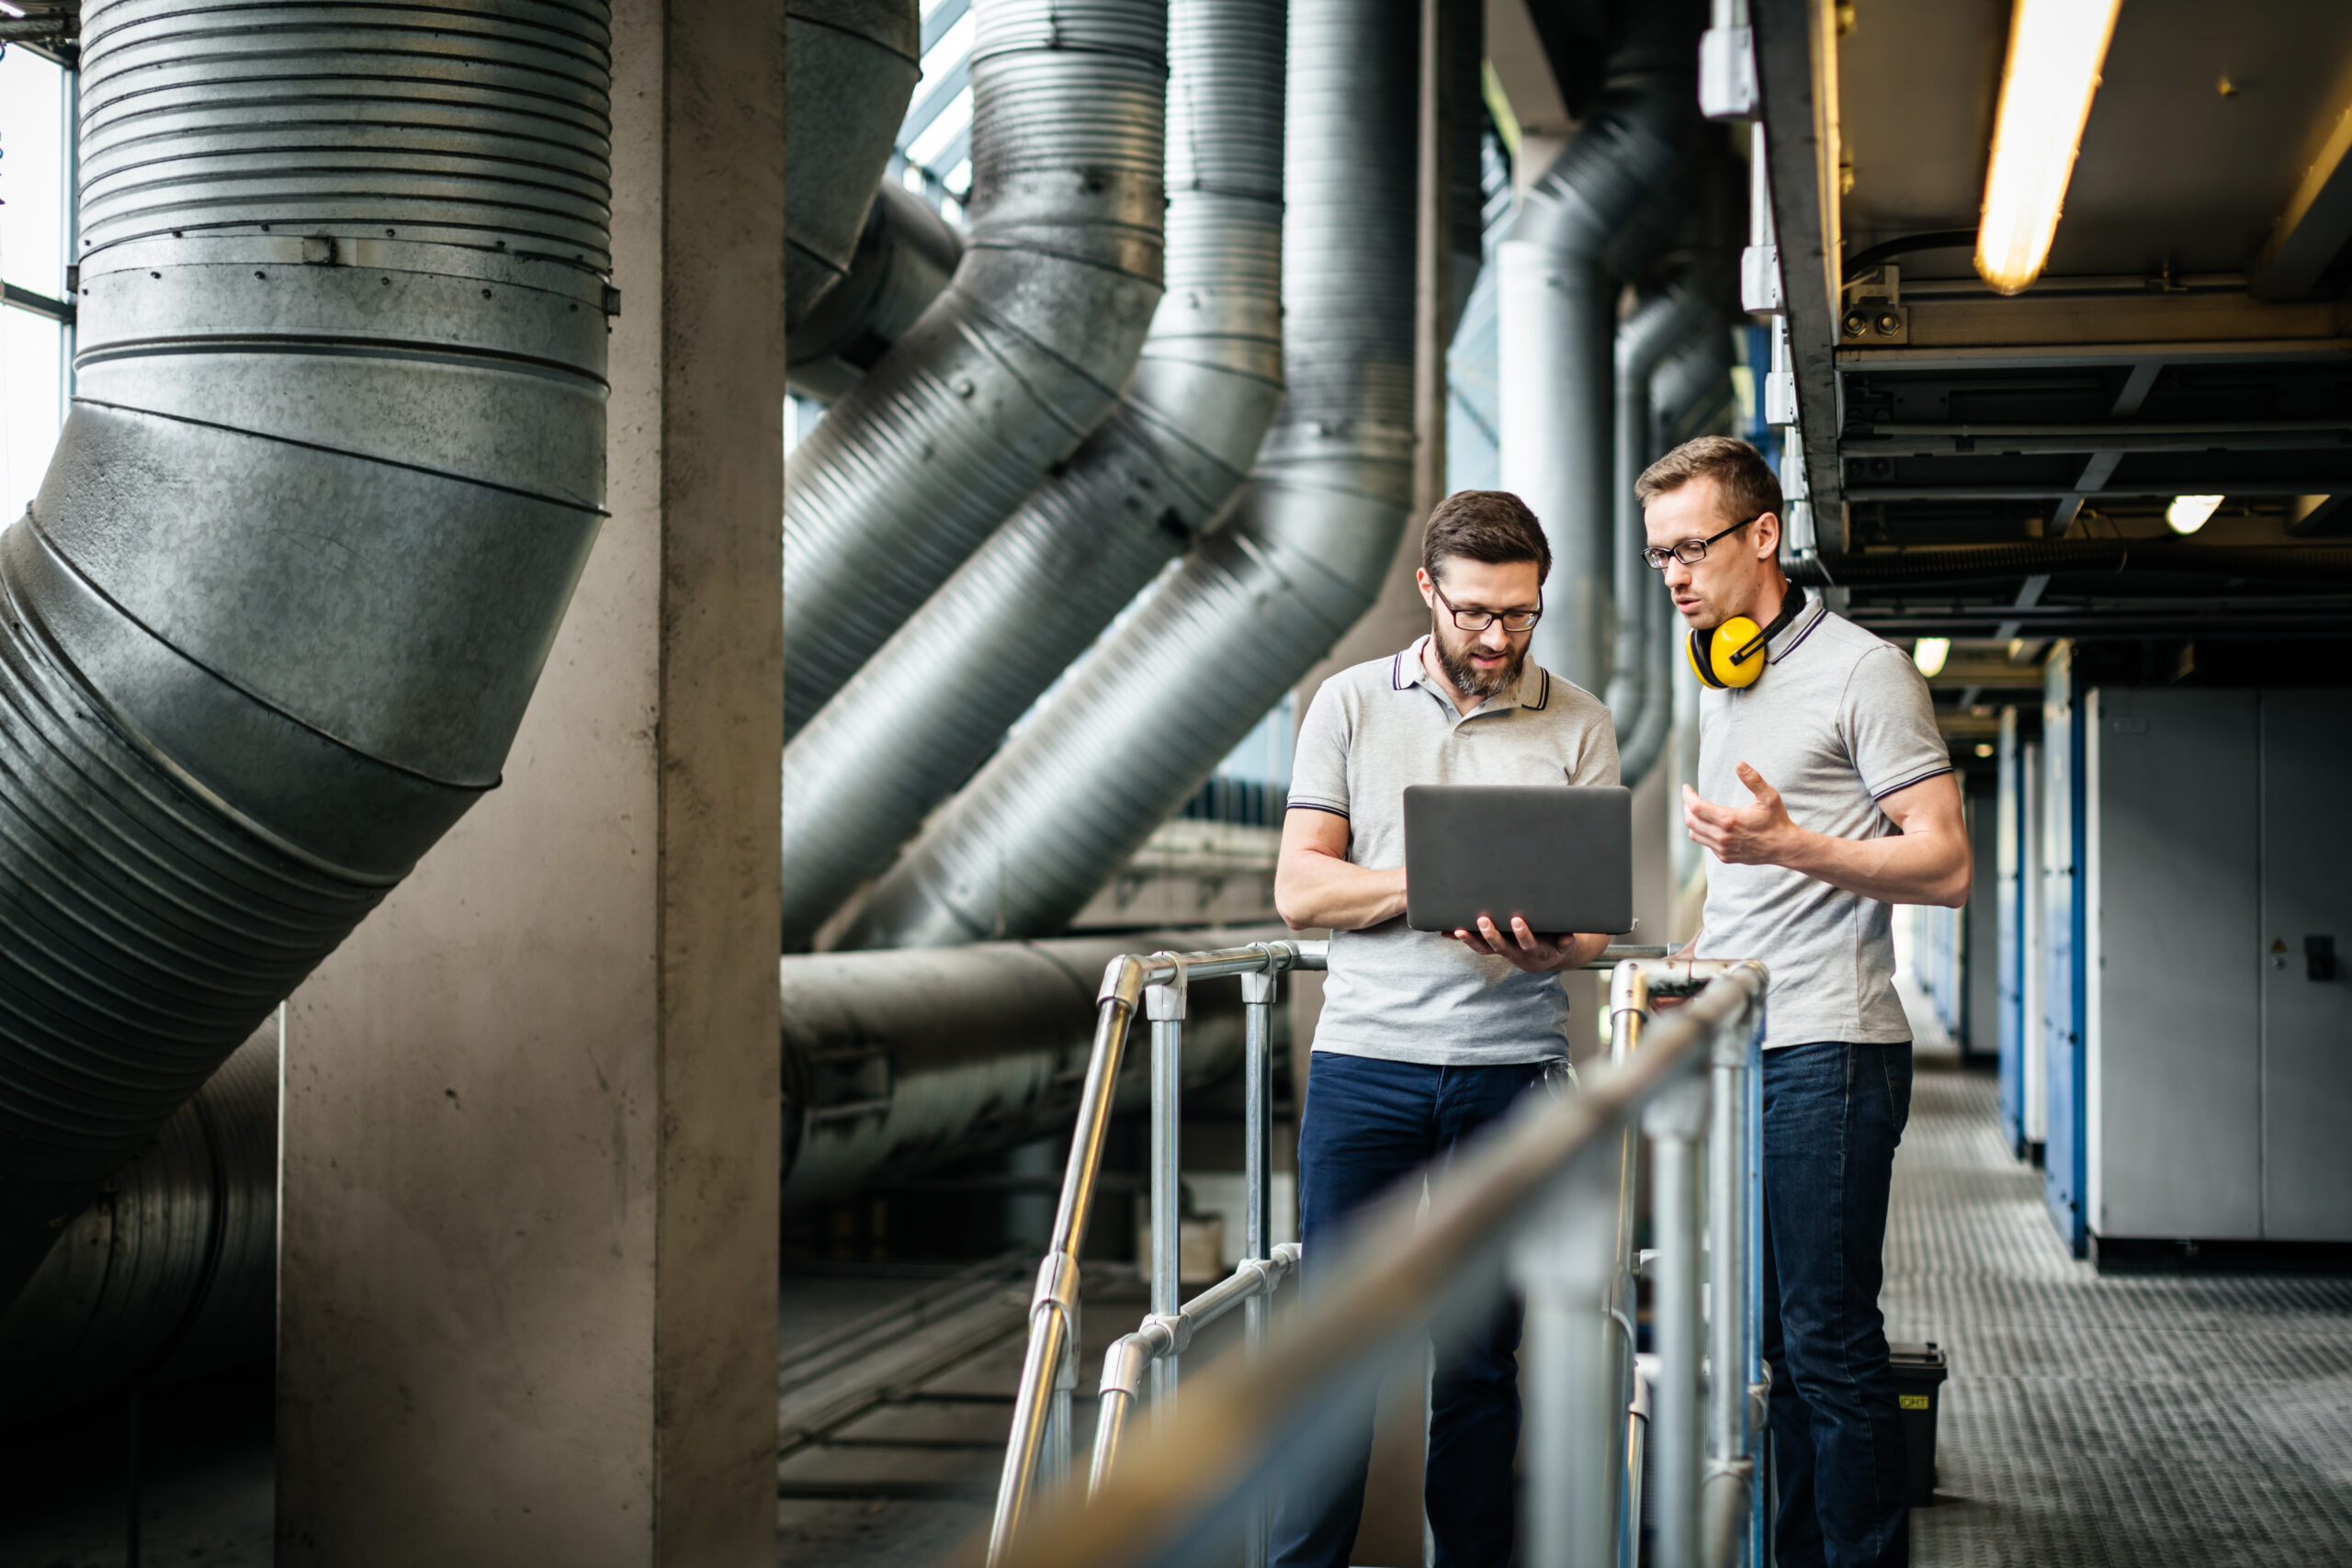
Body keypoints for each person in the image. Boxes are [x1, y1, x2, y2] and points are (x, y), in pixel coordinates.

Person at [1271, 489, 1619, 1568]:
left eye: (1519, 614)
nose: (1498, 639)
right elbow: (1301, 892)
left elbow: (1596, 930)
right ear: (1429, 591)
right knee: (1335, 1357)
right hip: (1365, 1070)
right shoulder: (1348, 707)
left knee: (1476, 1364)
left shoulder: (1580, 719)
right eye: (1475, 613)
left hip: (1510, 1071)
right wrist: (1424, 885)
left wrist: (1547, 945)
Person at [1640, 436, 1970, 1568]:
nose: (1676, 576)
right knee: (1773, 1350)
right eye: (1658, 556)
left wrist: (1792, 843)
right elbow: (1762, 872)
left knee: (1828, 1346)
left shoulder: (1864, 670)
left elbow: (1944, 864)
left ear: (1763, 536)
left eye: (1691, 548)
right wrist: (1704, 950)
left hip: (1828, 1049)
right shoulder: (1725, 675)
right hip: (1748, 1042)